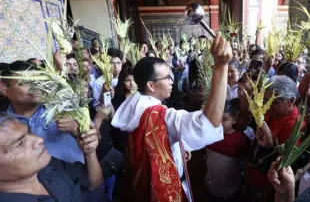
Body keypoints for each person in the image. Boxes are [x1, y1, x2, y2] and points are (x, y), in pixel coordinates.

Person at [111, 33, 232, 202]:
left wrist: (178, 147)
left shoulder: (133, 104)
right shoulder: (159, 117)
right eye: (166, 77)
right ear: (151, 85)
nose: (171, 81)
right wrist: (221, 66)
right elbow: (207, 124)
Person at [0, 112, 106, 202]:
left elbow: (93, 184)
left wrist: (90, 154)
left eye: (29, 132)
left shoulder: (49, 166)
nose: (39, 140)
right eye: (19, 144)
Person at [0, 61, 84, 164]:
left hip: (79, 177)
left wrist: (77, 130)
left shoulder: (64, 107)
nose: (36, 88)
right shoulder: (3, 126)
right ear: (4, 88)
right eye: (25, 83)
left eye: (38, 82)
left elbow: (96, 138)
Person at [205, 99, 251, 202]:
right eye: (216, 118)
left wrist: (246, 184)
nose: (219, 123)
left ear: (234, 119)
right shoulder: (207, 134)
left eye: (224, 119)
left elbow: (247, 164)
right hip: (211, 182)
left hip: (231, 187)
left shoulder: (241, 140)